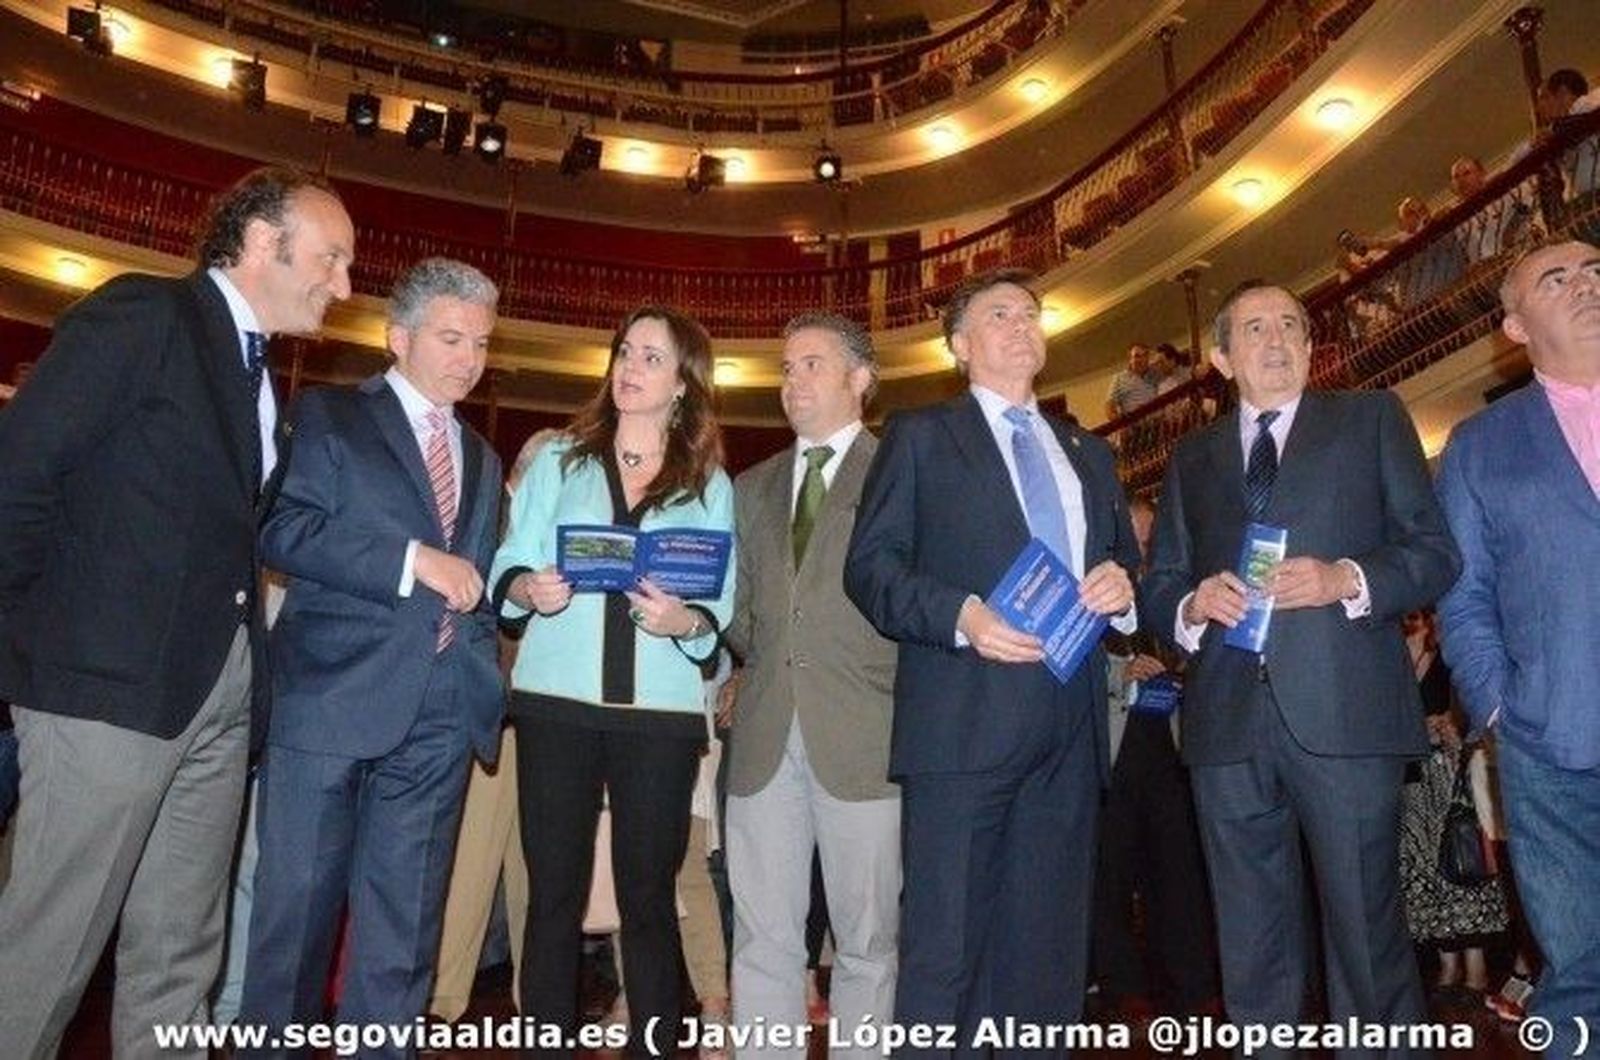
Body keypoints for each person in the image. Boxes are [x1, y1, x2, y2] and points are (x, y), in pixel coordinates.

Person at [0, 166, 353, 1057]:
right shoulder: (144, 316)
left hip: (217, 698)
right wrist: (22, 652)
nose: (344, 286)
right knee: (50, 951)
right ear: (265, 241)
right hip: (104, 691)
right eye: (332, 258)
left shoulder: (269, 377)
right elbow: (19, 477)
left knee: (180, 957)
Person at [1142, 280, 1460, 1050]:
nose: (1277, 339)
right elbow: (1160, 587)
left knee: (1366, 932)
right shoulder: (1193, 457)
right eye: (1254, 327)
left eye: (1291, 325)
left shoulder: (1371, 419)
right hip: (1225, 725)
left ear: (1314, 348)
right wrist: (1190, 606)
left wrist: (1344, 578)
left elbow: (1433, 554)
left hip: (1346, 715)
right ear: (1222, 356)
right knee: (1249, 942)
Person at [844, 268, 1138, 1052]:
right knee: (946, 947)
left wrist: (1122, 587)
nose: (1021, 324)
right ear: (960, 345)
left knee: (1047, 950)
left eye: (1031, 314)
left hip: (1068, 727)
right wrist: (960, 616)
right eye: (999, 314)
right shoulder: (920, 435)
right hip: (961, 723)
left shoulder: (1087, 451)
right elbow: (871, 568)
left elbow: (1121, 565)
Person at [237, 258, 505, 1052]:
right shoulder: (328, 416)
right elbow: (280, 529)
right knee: (295, 928)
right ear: (398, 337)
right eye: (451, 338)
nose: (468, 358)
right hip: (329, 703)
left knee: (403, 938)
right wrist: (409, 560)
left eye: (481, 343)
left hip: (440, 717)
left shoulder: (485, 458)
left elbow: (478, 582)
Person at [491, 305, 732, 1058]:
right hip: (556, 703)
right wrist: (528, 588)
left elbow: (714, 606)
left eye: (652, 358)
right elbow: (509, 560)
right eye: (625, 352)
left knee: (649, 898)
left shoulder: (709, 484)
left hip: (656, 715)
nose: (630, 367)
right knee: (552, 895)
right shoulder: (561, 459)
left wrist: (683, 623)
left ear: (684, 385)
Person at [1436, 238, 1600, 1055]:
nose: (1586, 284)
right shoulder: (1479, 445)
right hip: (1553, 742)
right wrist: (1501, 704)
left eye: (1595, 270)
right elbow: (1461, 594)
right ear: (1513, 324)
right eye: (1557, 277)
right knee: (1579, 973)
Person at [724, 311, 900, 1058]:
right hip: (764, 733)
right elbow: (736, 612)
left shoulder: (898, 472)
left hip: (866, 734)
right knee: (763, 938)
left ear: (860, 380)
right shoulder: (748, 486)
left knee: (867, 941)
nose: (792, 381)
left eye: (811, 365)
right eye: (787, 367)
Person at [428, 429, 560, 1024]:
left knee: (537, 874)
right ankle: (443, 1004)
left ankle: (536, 1004)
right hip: (491, 723)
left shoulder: (550, 529)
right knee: (469, 871)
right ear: (526, 474)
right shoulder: (489, 518)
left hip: (542, 724)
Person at [1091, 496, 1218, 1022]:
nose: (1144, 544)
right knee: (1112, 872)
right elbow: (1068, 658)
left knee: (1178, 867)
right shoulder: (1097, 589)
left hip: (1168, 744)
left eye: (1150, 536)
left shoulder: (1167, 590)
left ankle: (1191, 983)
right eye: (1138, 534)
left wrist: (1184, 669)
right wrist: (1123, 672)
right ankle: (1123, 985)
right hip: (1115, 747)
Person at [1394, 611, 1507, 1009]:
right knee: (1423, 871)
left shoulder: (1450, 650)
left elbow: (1472, 705)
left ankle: (1476, 966)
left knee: (1461, 865)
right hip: (1409, 776)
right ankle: (1447, 967)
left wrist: (1450, 723)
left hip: (1450, 774)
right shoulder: (1389, 652)